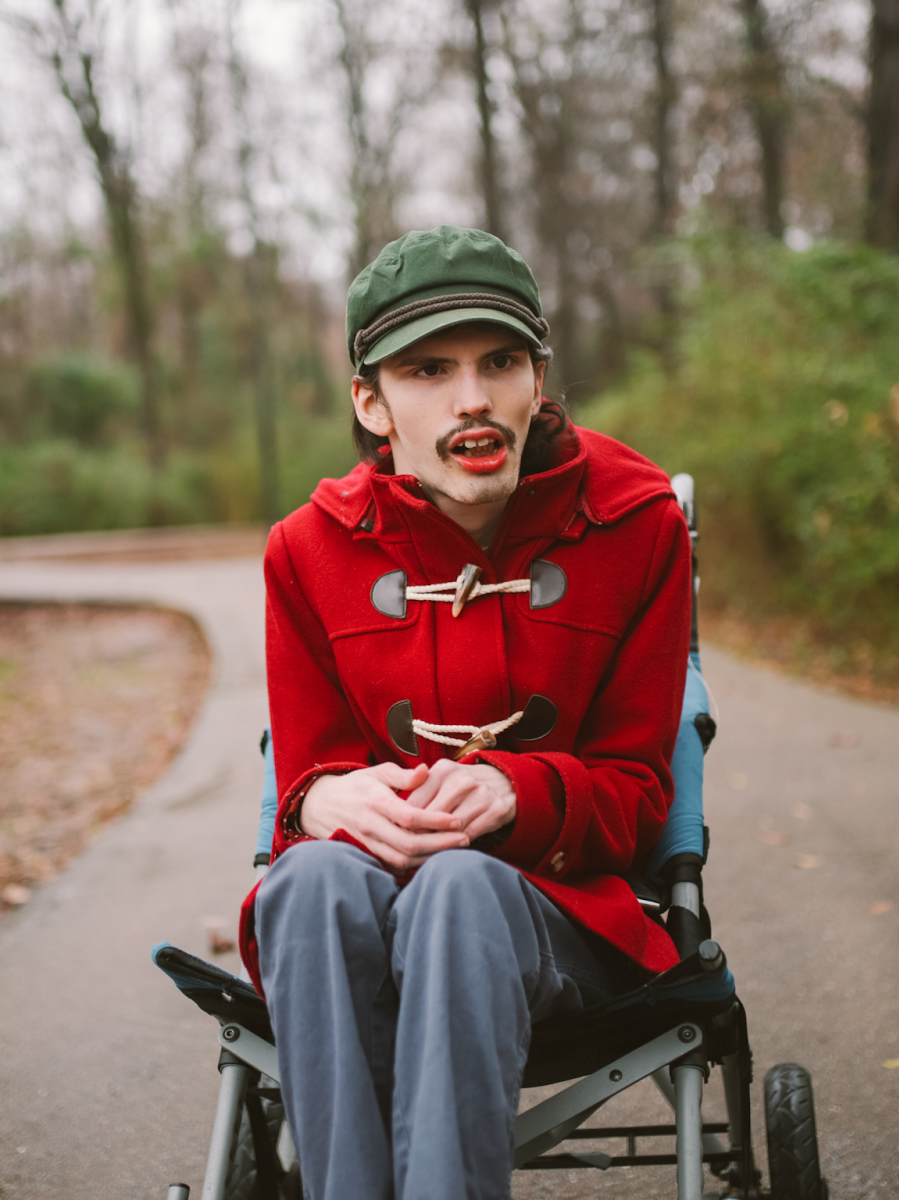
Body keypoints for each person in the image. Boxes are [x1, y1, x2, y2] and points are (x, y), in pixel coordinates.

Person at [237, 225, 691, 1200]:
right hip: (359, 914)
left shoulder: (639, 521)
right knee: (306, 882)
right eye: (429, 369)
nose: (473, 397)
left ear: (536, 378)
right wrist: (317, 805)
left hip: (559, 918)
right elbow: (306, 777)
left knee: (459, 890)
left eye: (500, 361)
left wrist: (510, 793)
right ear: (372, 401)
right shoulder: (304, 552)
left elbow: (638, 795)